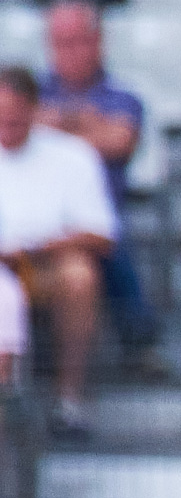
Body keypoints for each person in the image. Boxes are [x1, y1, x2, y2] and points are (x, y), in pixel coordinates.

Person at [0, 64, 117, 435]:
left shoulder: (71, 155)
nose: (6, 130)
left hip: (41, 265)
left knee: (79, 276)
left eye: (14, 120)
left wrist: (36, 247)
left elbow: (101, 234)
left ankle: (69, 399)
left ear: (34, 110)